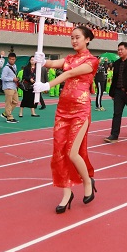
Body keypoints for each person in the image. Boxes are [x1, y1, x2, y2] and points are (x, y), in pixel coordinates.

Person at [32, 25, 99, 213]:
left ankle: (87, 181)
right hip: (63, 109)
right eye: (72, 37)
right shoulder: (69, 58)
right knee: (59, 152)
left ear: (87, 39)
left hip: (80, 110)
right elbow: (56, 63)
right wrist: (43, 61)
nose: (74, 40)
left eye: (77, 37)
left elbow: (69, 73)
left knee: (72, 152)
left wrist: (47, 85)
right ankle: (66, 193)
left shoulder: (92, 61)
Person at [0, 52, 19, 123]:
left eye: (13, 59)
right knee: (9, 102)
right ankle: (9, 117)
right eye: (10, 59)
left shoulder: (15, 66)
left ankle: (6, 113)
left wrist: (16, 79)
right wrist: (12, 79)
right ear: (8, 59)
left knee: (16, 102)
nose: (12, 60)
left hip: (14, 86)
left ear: (15, 59)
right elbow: (3, 77)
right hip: (8, 87)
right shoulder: (6, 68)